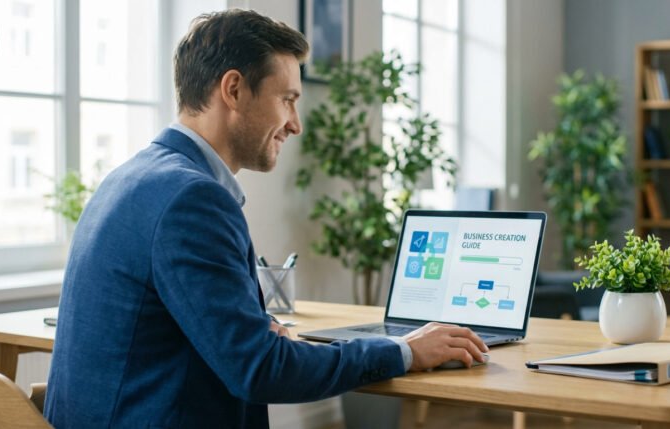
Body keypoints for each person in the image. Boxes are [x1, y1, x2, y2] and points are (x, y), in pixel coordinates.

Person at [44, 9, 487, 428]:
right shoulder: (192, 198)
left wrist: (257, 335)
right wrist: (402, 351)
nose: (296, 124)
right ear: (234, 90)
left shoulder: (131, 177)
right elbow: (259, 372)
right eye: (288, 100)